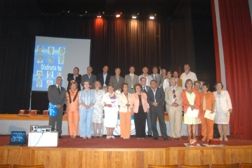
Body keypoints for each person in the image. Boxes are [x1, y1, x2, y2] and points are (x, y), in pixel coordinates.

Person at [182, 79, 201, 145]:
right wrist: (190, 105)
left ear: (192, 84)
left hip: (195, 109)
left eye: (190, 83)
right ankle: (189, 137)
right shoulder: (183, 92)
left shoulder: (196, 91)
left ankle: (194, 137)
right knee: (189, 125)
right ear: (186, 84)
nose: (189, 84)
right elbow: (183, 101)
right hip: (188, 109)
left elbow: (198, 100)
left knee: (194, 125)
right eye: (188, 83)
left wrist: (194, 106)